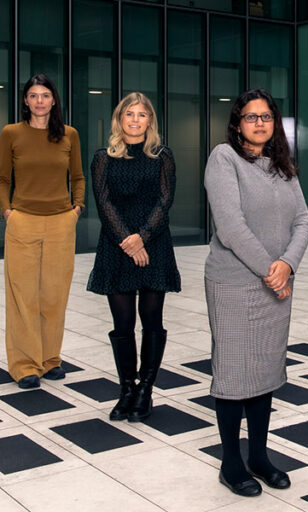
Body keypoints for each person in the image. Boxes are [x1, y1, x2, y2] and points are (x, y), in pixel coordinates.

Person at [204, 88, 308, 497]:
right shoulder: (224, 158)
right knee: (234, 374)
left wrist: (288, 265)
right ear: (237, 124)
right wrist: (273, 272)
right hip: (233, 282)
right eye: (251, 117)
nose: (260, 123)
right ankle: (231, 462)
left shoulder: (283, 165)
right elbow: (230, 227)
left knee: (265, 371)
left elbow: (303, 221)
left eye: (266, 116)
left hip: (276, 283)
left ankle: (259, 457)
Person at [87, 92, 180, 422]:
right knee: (123, 322)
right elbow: (103, 202)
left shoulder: (162, 156)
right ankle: (127, 389)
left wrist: (142, 237)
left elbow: (165, 201)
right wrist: (128, 240)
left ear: (150, 120)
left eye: (142, 114)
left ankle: (145, 391)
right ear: (120, 119)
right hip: (116, 246)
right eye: (130, 114)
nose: (135, 120)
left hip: (154, 244)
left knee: (152, 319)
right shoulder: (103, 158)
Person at [0, 74, 84, 389]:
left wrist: (77, 209)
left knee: (54, 295)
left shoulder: (69, 135)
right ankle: (24, 365)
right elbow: (2, 178)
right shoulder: (11, 133)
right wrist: (7, 212)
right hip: (22, 220)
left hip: (61, 223)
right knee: (23, 295)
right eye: (33, 95)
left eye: (45, 95)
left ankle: (50, 359)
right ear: (25, 100)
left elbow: (78, 177)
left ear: (53, 100)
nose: (39, 101)